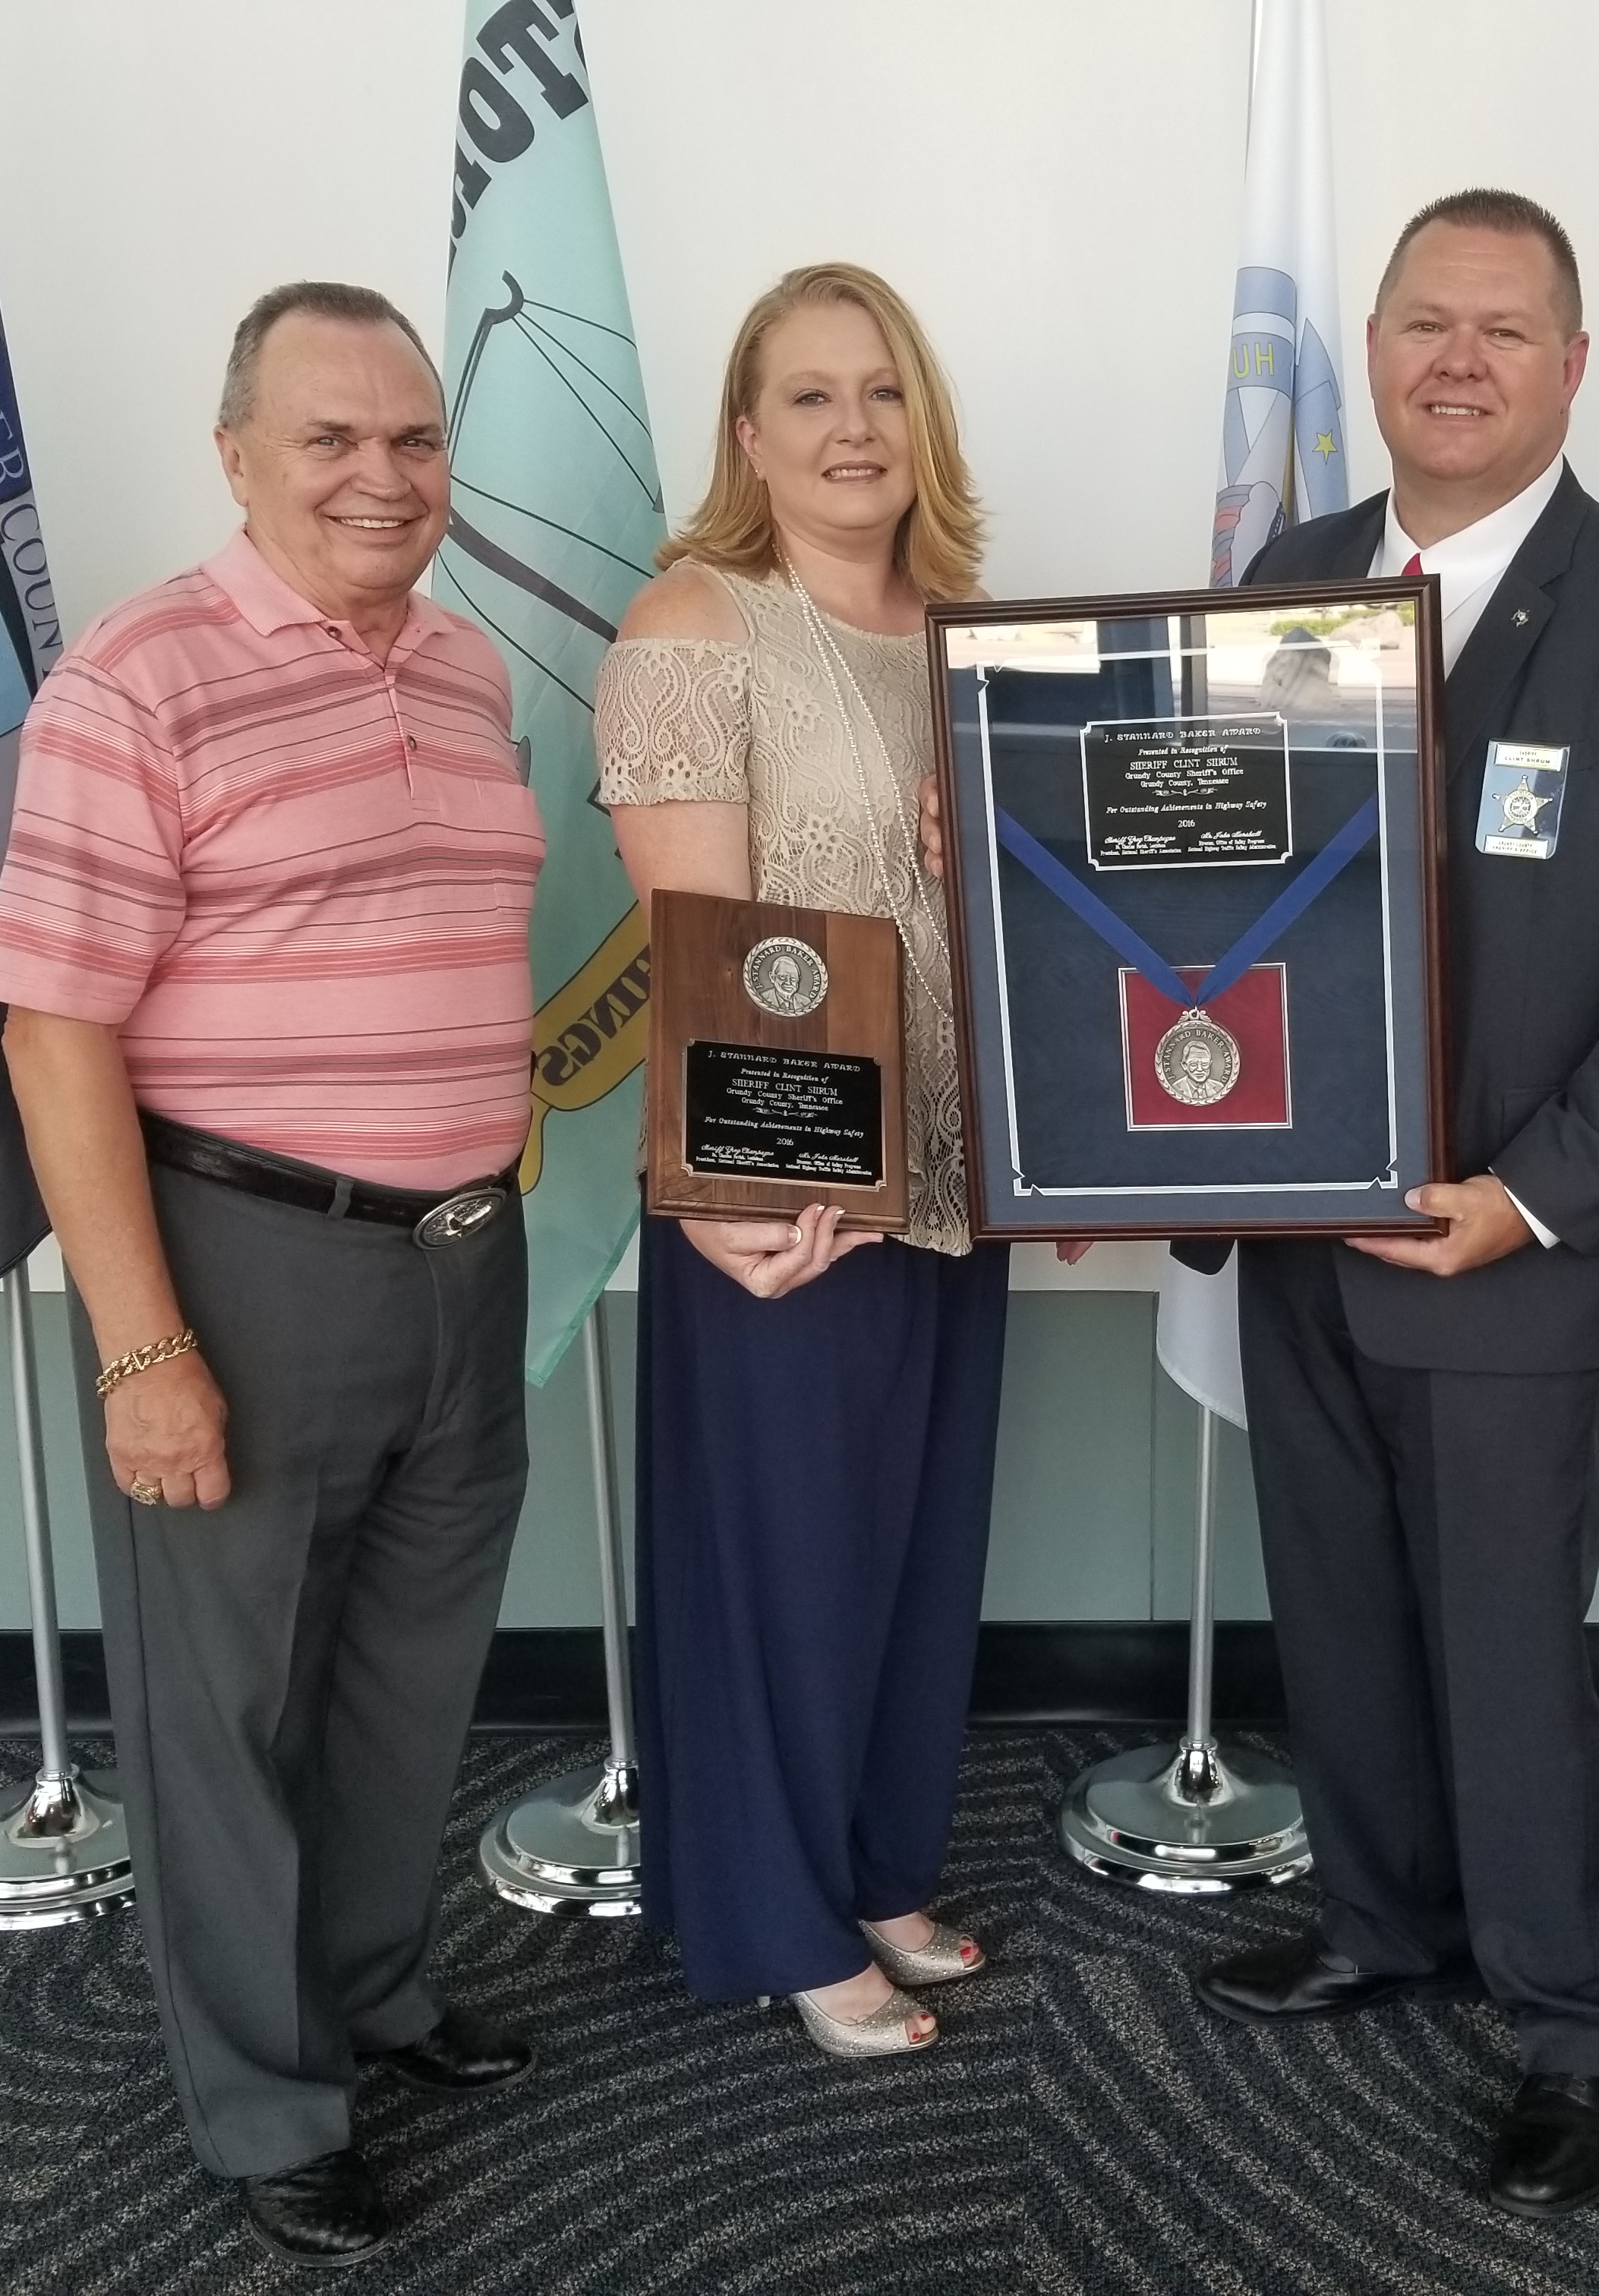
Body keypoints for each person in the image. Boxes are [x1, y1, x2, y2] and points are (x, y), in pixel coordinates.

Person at [1182, 189, 1599, 2216]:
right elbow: (1208, 888)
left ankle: (1577, 2023)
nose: (1458, 361)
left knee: (1512, 1659)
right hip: (1301, 1229)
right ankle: (1385, 1921)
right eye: (1424, 323)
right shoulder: (1292, 573)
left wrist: (1527, 1200)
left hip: (1514, 1248)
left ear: (1573, 365)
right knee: (1341, 1612)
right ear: (1370, 346)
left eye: (1504, 330)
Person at [0, 282, 547, 2269]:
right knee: (224, 1711)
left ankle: (375, 1991)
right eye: (331, 437)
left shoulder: (468, 667)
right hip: (244, 1260)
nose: (383, 475)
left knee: (407, 1676)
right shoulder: (138, 681)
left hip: (466, 1258)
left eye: (415, 439)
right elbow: (54, 1030)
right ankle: (268, 2104)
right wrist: (144, 1349)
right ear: (237, 456)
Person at [598, 263, 1032, 2060]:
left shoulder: (978, 635)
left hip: (963, 1173)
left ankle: (873, 1867)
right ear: (748, 434)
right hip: (785, 1188)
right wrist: (731, 1194)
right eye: (811, 396)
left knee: (918, 1550)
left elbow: (1039, 923)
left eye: (883, 390)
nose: (854, 428)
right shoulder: (698, 625)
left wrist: (1063, 1150)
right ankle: (780, 1916)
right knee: (785, 1566)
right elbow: (697, 944)